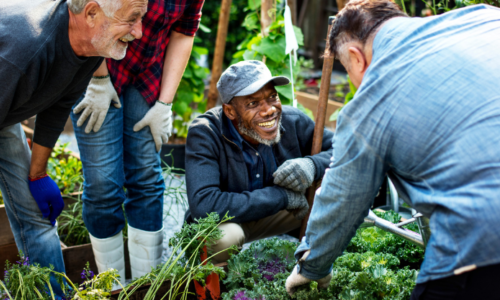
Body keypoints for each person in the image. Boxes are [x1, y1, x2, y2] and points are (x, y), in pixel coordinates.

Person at [285, 1, 500, 299]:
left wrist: (312, 266)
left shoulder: (371, 101)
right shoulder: (483, 17)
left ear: (355, 57)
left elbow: (343, 197)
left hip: (483, 240)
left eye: (347, 71)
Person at [0, 0, 147, 295]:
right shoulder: (25, 50)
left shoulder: (90, 47)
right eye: (131, 19)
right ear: (92, 13)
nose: (140, 32)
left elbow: (58, 105)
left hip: (6, 112)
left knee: (36, 215)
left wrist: (38, 174)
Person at [70, 0, 205, 286]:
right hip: (98, 64)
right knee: (104, 185)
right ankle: (112, 285)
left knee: (145, 177)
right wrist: (98, 78)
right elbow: (91, 16)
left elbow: (184, 32)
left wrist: (165, 104)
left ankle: (147, 285)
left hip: (146, 74)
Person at [184, 60, 334, 263]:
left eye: (272, 97)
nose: (269, 110)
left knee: (337, 185)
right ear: (230, 111)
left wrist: (312, 165)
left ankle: (316, 265)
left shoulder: (293, 120)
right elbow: (204, 204)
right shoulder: (205, 133)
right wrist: (281, 197)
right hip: (229, 221)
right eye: (253, 103)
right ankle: (222, 287)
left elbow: (345, 150)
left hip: (278, 215)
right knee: (222, 239)